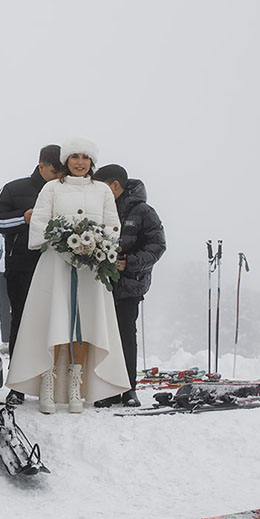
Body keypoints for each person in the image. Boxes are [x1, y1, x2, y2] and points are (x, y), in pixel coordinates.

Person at [5, 138, 130, 414]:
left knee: (84, 325)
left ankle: (77, 386)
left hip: (90, 269)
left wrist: (96, 244)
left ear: (92, 162)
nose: (80, 162)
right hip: (56, 266)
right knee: (56, 321)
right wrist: (61, 241)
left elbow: (112, 226)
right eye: (75, 157)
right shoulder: (51, 188)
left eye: (85, 157)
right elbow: (39, 222)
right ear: (66, 160)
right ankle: (47, 384)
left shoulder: (102, 191)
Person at [0, 144, 62, 404]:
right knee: (21, 323)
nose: (57, 177)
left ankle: (55, 382)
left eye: (60, 173)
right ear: (41, 166)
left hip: (57, 267)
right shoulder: (14, 188)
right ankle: (17, 385)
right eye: (53, 171)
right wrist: (23, 218)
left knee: (56, 324)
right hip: (21, 268)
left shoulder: (65, 189)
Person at [92, 164, 166, 407]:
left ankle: (128, 389)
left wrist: (130, 263)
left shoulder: (143, 211)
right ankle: (107, 389)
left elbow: (157, 245)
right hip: (100, 285)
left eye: (101, 186)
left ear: (115, 185)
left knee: (125, 336)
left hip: (129, 285)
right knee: (103, 338)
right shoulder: (99, 209)